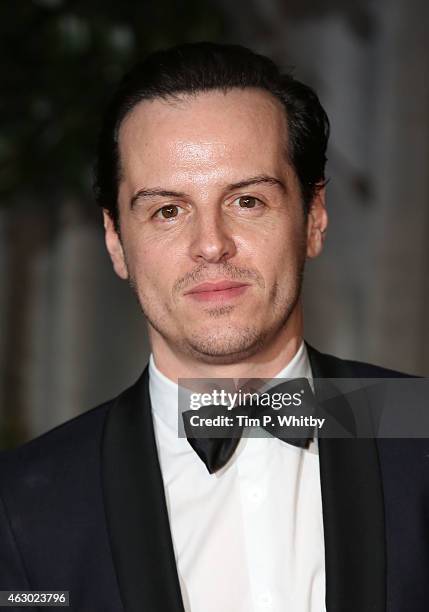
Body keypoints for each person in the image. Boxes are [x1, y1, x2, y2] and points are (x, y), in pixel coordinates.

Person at [0, 42, 428, 612]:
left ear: (314, 218)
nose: (210, 245)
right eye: (167, 210)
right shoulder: (20, 506)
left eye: (247, 201)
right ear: (115, 241)